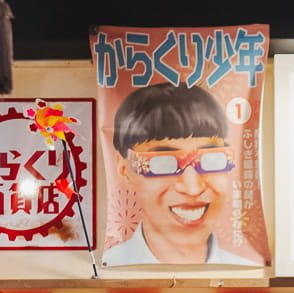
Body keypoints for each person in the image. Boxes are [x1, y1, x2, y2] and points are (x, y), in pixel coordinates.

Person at [105, 83, 257, 267]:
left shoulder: (246, 270)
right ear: (123, 169)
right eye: (163, 162)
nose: (192, 188)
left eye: (210, 159)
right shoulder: (111, 267)